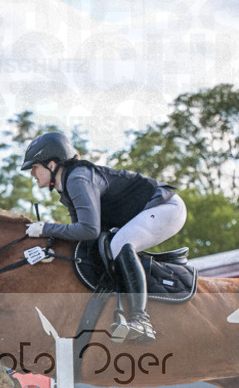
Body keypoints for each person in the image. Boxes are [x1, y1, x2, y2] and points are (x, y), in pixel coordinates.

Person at [21, 131, 187, 343]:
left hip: (166, 207)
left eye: (34, 167)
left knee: (120, 244)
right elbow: (86, 236)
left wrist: (46, 229)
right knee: (104, 249)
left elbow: (88, 229)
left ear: (52, 165)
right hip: (149, 212)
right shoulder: (68, 186)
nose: (32, 174)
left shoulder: (78, 178)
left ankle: (141, 320)